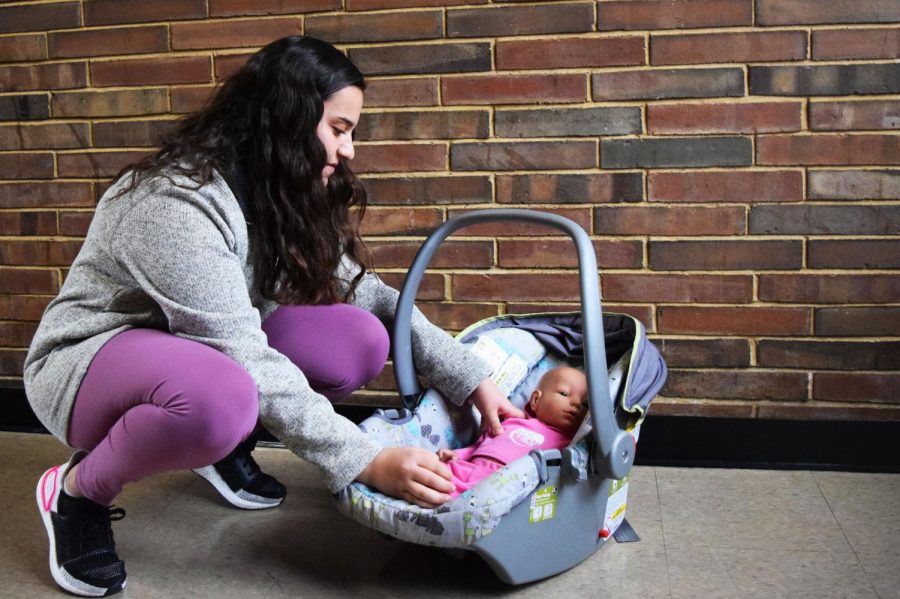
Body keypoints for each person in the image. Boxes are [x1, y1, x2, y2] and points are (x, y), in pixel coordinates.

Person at [25, 35, 523, 597]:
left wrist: (468, 375)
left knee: (358, 339)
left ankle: (218, 446)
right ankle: (76, 493)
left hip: (195, 359)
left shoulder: (273, 192)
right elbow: (240, 352)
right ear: (289, 117)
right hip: (86, 365)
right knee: (223, 396)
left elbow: (370, 295)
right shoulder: (175, 202)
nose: (350, 149)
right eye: (340, 128)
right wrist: (366, 460)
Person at [437, 366, 588, 499]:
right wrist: (459, 455)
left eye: (585, 404)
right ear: (535, 400)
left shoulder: (568, 445)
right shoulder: (512, 422)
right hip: (470, 468)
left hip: (505, 484)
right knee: (432, 473)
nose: (576, 403)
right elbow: (480, 446)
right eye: (564, 393)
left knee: (454, 498)